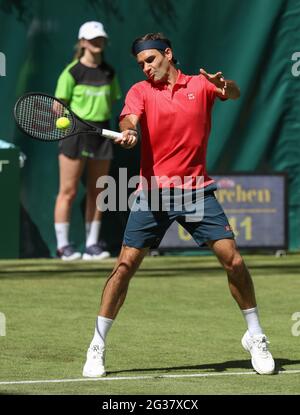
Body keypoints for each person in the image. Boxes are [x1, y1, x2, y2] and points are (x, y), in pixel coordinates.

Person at [82, 33, 275, 376]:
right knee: (124, 267)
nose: (147, 68)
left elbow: (234, 93)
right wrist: (129, 130)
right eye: (141, 64)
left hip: (196, 191)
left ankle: (256, 335)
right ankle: (97, 345)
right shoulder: (140, 91)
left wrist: (224, 83)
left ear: (168, 55)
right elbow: (129, 119)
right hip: (153, 193)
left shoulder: (201, 85)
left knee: (234, 261)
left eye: (151, 60)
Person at [54, 21, 121, 260]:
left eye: (100, 39)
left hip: (101, 133)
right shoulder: (71, 72)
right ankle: (63, 247)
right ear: (82, 42)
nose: (97, 43)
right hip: (74, 134)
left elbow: (112, 101)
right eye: (92, 39)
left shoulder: (109, 72)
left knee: (98, 191)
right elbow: (56, 106)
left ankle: (92, 245)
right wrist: (73, 121)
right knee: (68, 191)